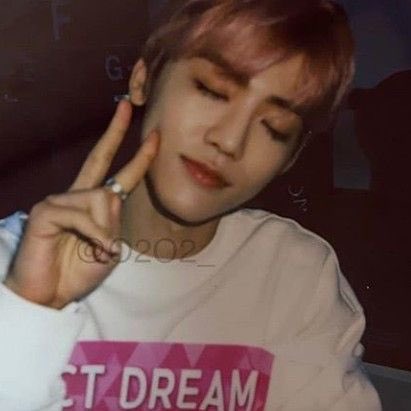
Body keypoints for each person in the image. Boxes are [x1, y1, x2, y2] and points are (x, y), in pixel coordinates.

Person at [0, 0, 381, 409]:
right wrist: (32, 311)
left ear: (291, 158)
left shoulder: (293, 275)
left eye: (274, 128)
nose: (230, 141)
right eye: (213, 91)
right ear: (144, 79)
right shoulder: (15, 257)